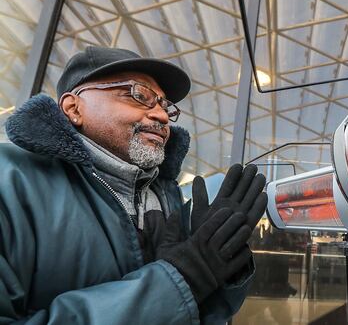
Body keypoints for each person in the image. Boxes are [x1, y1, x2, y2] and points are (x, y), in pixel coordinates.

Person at [0, 46, 267, 324]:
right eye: (139, 95)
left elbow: (196, 313)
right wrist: (184, 279)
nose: (162, 117)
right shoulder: (9, 182)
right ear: (73, 108)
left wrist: (219, 274)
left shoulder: (166, 195)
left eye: (165, 106)